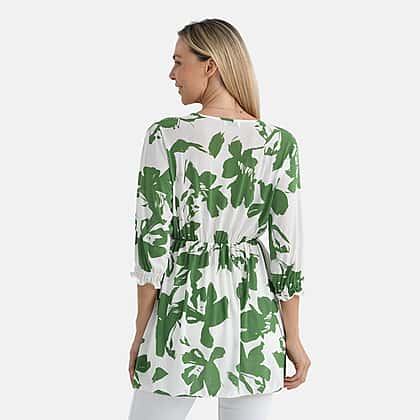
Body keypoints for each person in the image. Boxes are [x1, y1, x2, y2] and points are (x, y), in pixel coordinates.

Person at [127, 18, 311, 420]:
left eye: (179, 62)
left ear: (210, 66)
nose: (172, 74)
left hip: (181, 314)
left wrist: (141, 331)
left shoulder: (166, 136)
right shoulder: (279, 144)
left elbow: (152, 243)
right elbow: (287, 252)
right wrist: (293, 337)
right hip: (255, 322)